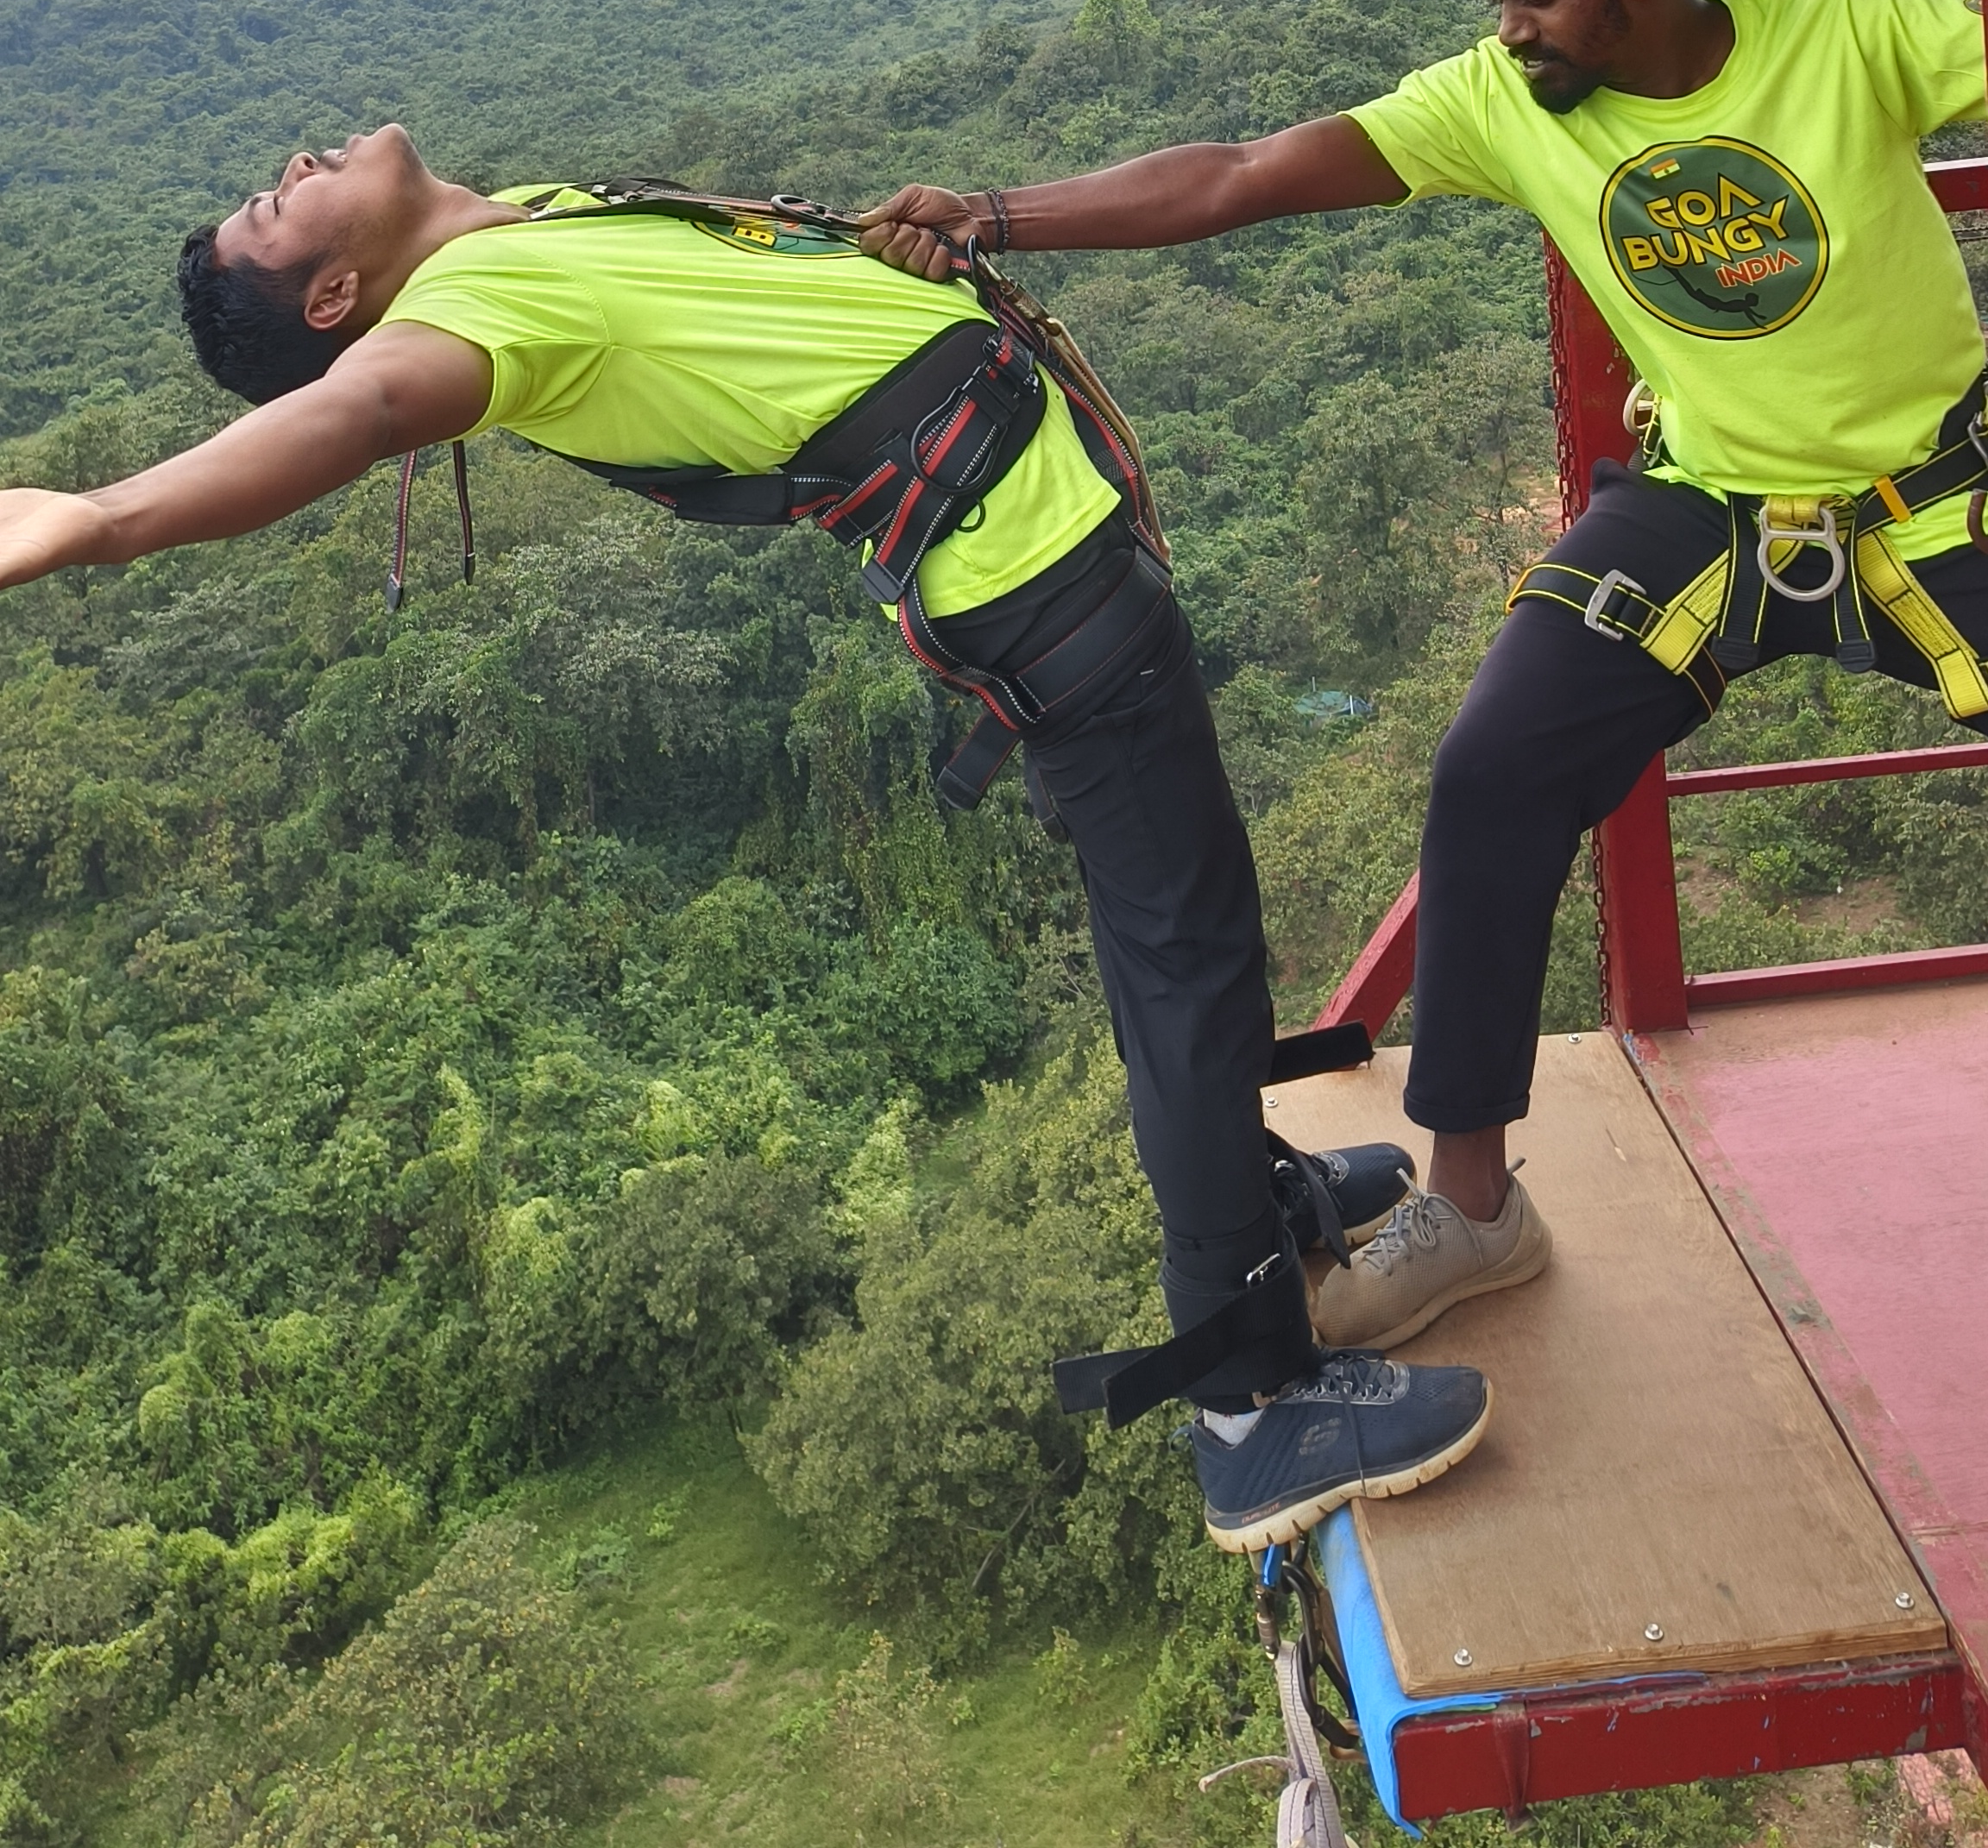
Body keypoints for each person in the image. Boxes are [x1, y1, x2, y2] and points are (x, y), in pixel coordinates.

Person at [0, 134, 1490, 1554]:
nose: (296, 169)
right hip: (1040, 593)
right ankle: (1252, 1408)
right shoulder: (444, 332)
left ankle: (1260, 1198)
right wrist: (98, 518)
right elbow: (356, 415)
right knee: (1190, 970)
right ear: (336, 301)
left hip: (1046, 546)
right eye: (278, 210)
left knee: (1189, 935)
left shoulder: (524, 216)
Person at [863, 0, 1988, 1355]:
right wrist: (996, 214)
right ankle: (1475, 1209)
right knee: (1489, 777)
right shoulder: (1506, 103)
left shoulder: (1853, 35)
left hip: (1930, 496)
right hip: (1705, 505)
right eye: (1494, 1)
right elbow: (1240, 176)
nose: (1511, 28)